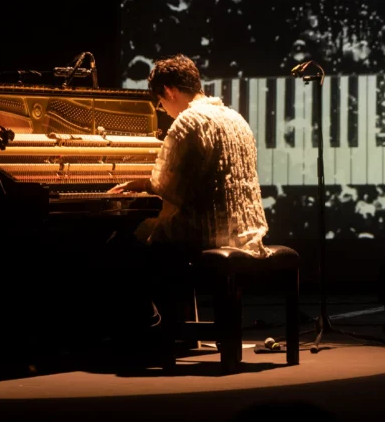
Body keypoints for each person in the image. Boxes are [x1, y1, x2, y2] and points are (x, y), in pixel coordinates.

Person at [102, 53, 272, 351]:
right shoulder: (236, 119)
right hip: (244, 232)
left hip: (203, 234)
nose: (164, 111)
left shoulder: (188, 122)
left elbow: (168, 187)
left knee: (120, 245)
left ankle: (151, 331)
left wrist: (142, 184)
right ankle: (176, 331)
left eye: (160, 103)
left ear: (169, 91)